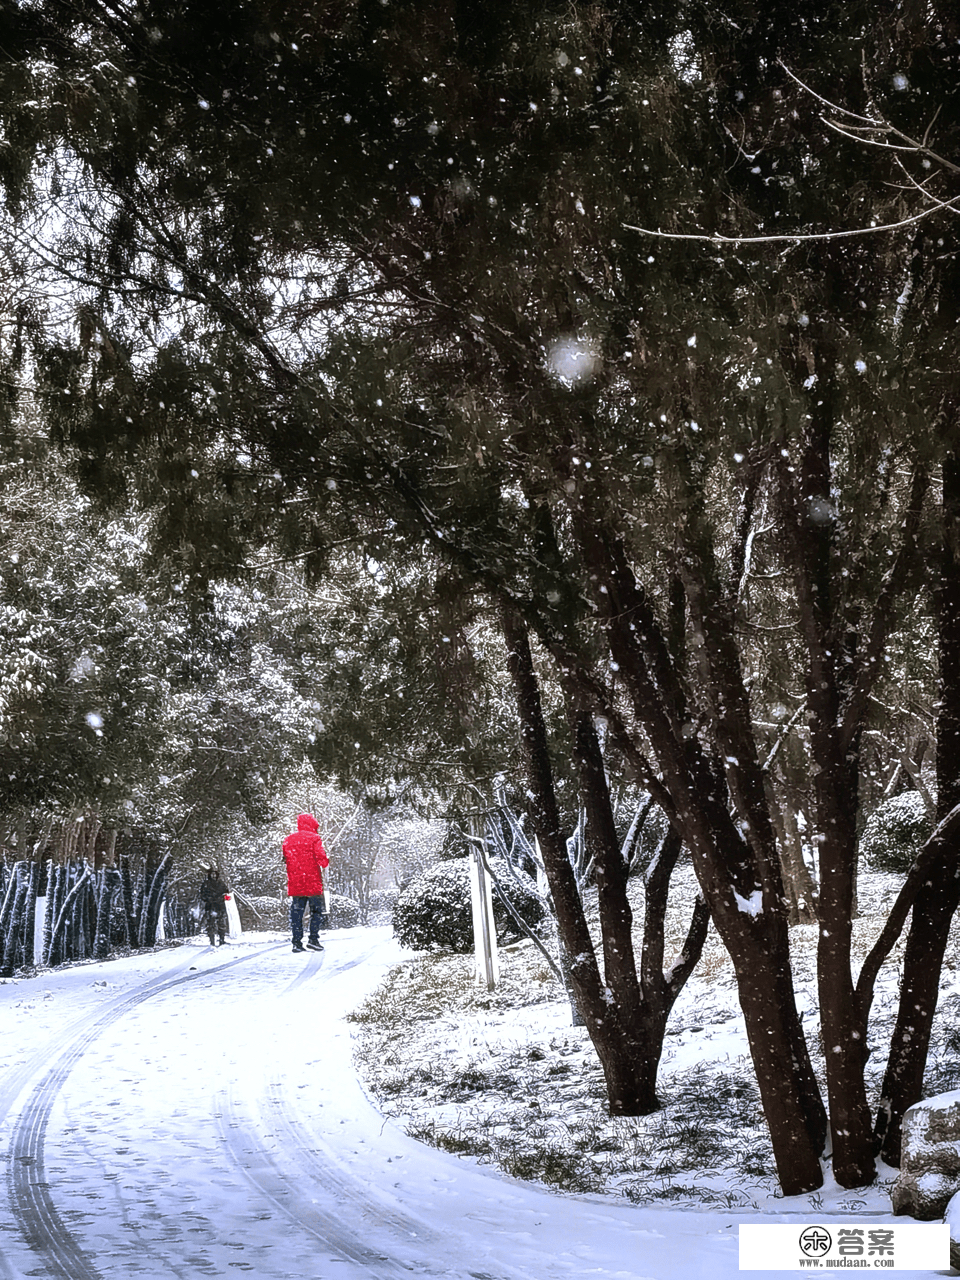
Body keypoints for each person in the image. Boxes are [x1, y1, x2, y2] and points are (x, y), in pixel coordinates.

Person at [282, 813, 330, 953]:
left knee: (297, 913)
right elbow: (322, 859)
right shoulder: (314, 839)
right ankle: (313, 939)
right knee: (316, 911)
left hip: (296, 883)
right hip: (313, 882)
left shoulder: (288, 840)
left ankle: (297, 942)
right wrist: (324, 862)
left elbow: (285, 858)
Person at [198, 865, 230, 947]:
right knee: (211, 924)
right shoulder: (206, 884)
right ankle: (212, 941)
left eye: (215, 874)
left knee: (221, 924)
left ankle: (222, 940)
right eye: (211, 874)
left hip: (220, 906)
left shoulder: (221, 883)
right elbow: (202, 895)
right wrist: (209, 899)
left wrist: (224, 897)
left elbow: (227, 893)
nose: (213, 875)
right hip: (210, 906)